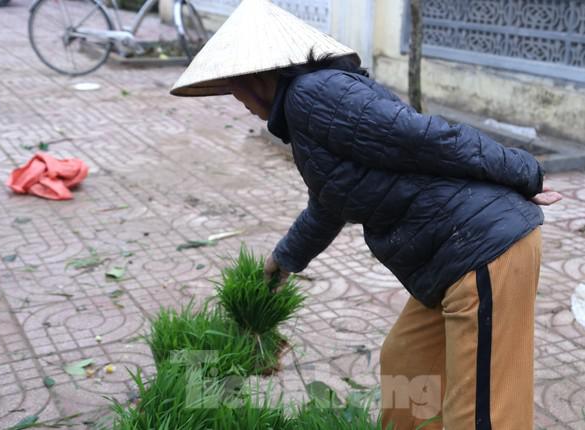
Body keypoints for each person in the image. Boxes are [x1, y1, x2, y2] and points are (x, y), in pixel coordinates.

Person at [171, 0, 563, 428]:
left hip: (483, 247)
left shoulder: (313, 94)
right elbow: (328, 203)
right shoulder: (307, 114)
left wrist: (526, 172)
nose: (237, 98)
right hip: (443, 257)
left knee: (482, 412)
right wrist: (283, 261)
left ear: (259, 76)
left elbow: (423, 138)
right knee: (407, 365)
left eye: (234, 85)